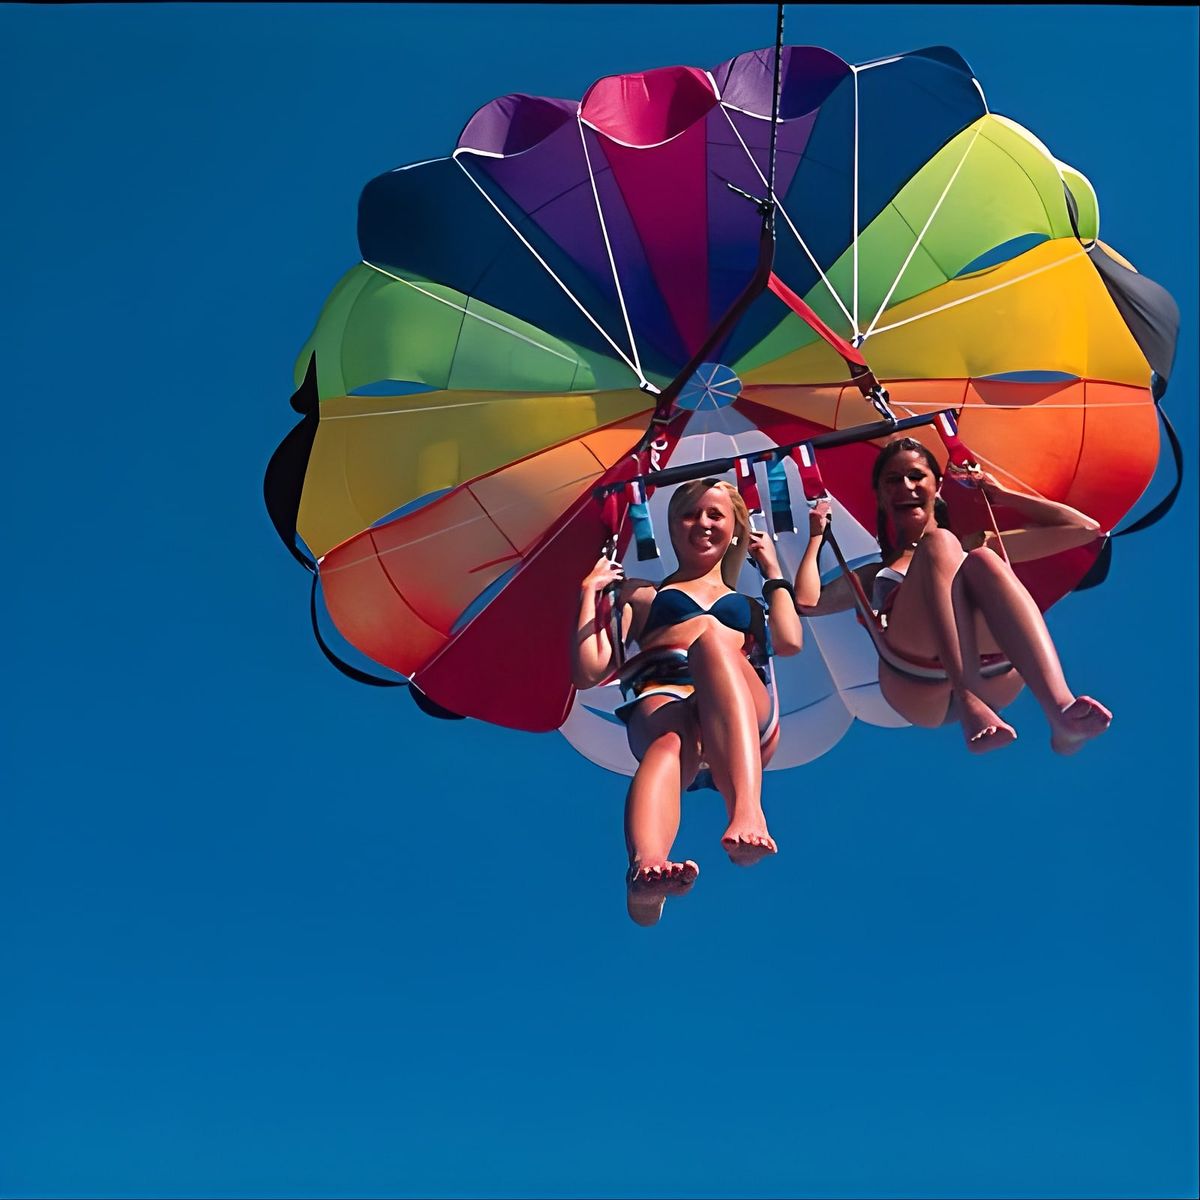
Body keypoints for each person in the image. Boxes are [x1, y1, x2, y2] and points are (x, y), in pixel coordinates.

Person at [573, 478, 826, 926]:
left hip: (738, 711)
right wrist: (590, 593)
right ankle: (647, 870)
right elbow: (590, 671)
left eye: (715, 516)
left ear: (735, 531)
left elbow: (789, 641)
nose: (702, 524)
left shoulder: (750, 605)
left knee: (711, 646)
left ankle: (748, 813)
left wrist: (771, 572)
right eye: (690, 514)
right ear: (671, 527)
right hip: (666, 696)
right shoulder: (643, 593)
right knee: (668, 742)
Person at [795, 436, 1112, 755]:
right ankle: (968, 697)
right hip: (915, 681)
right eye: (893, 480)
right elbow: (808, 603)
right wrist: (816, 537)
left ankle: (1060, 710)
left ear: (938, 487)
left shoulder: (976, 542)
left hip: (993, 669)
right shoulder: (875, 571)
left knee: (983, 557)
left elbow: (1084, 530)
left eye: (916, 476)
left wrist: (1001, 495)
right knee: (942, 543)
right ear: (880, 496)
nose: (906, 485)